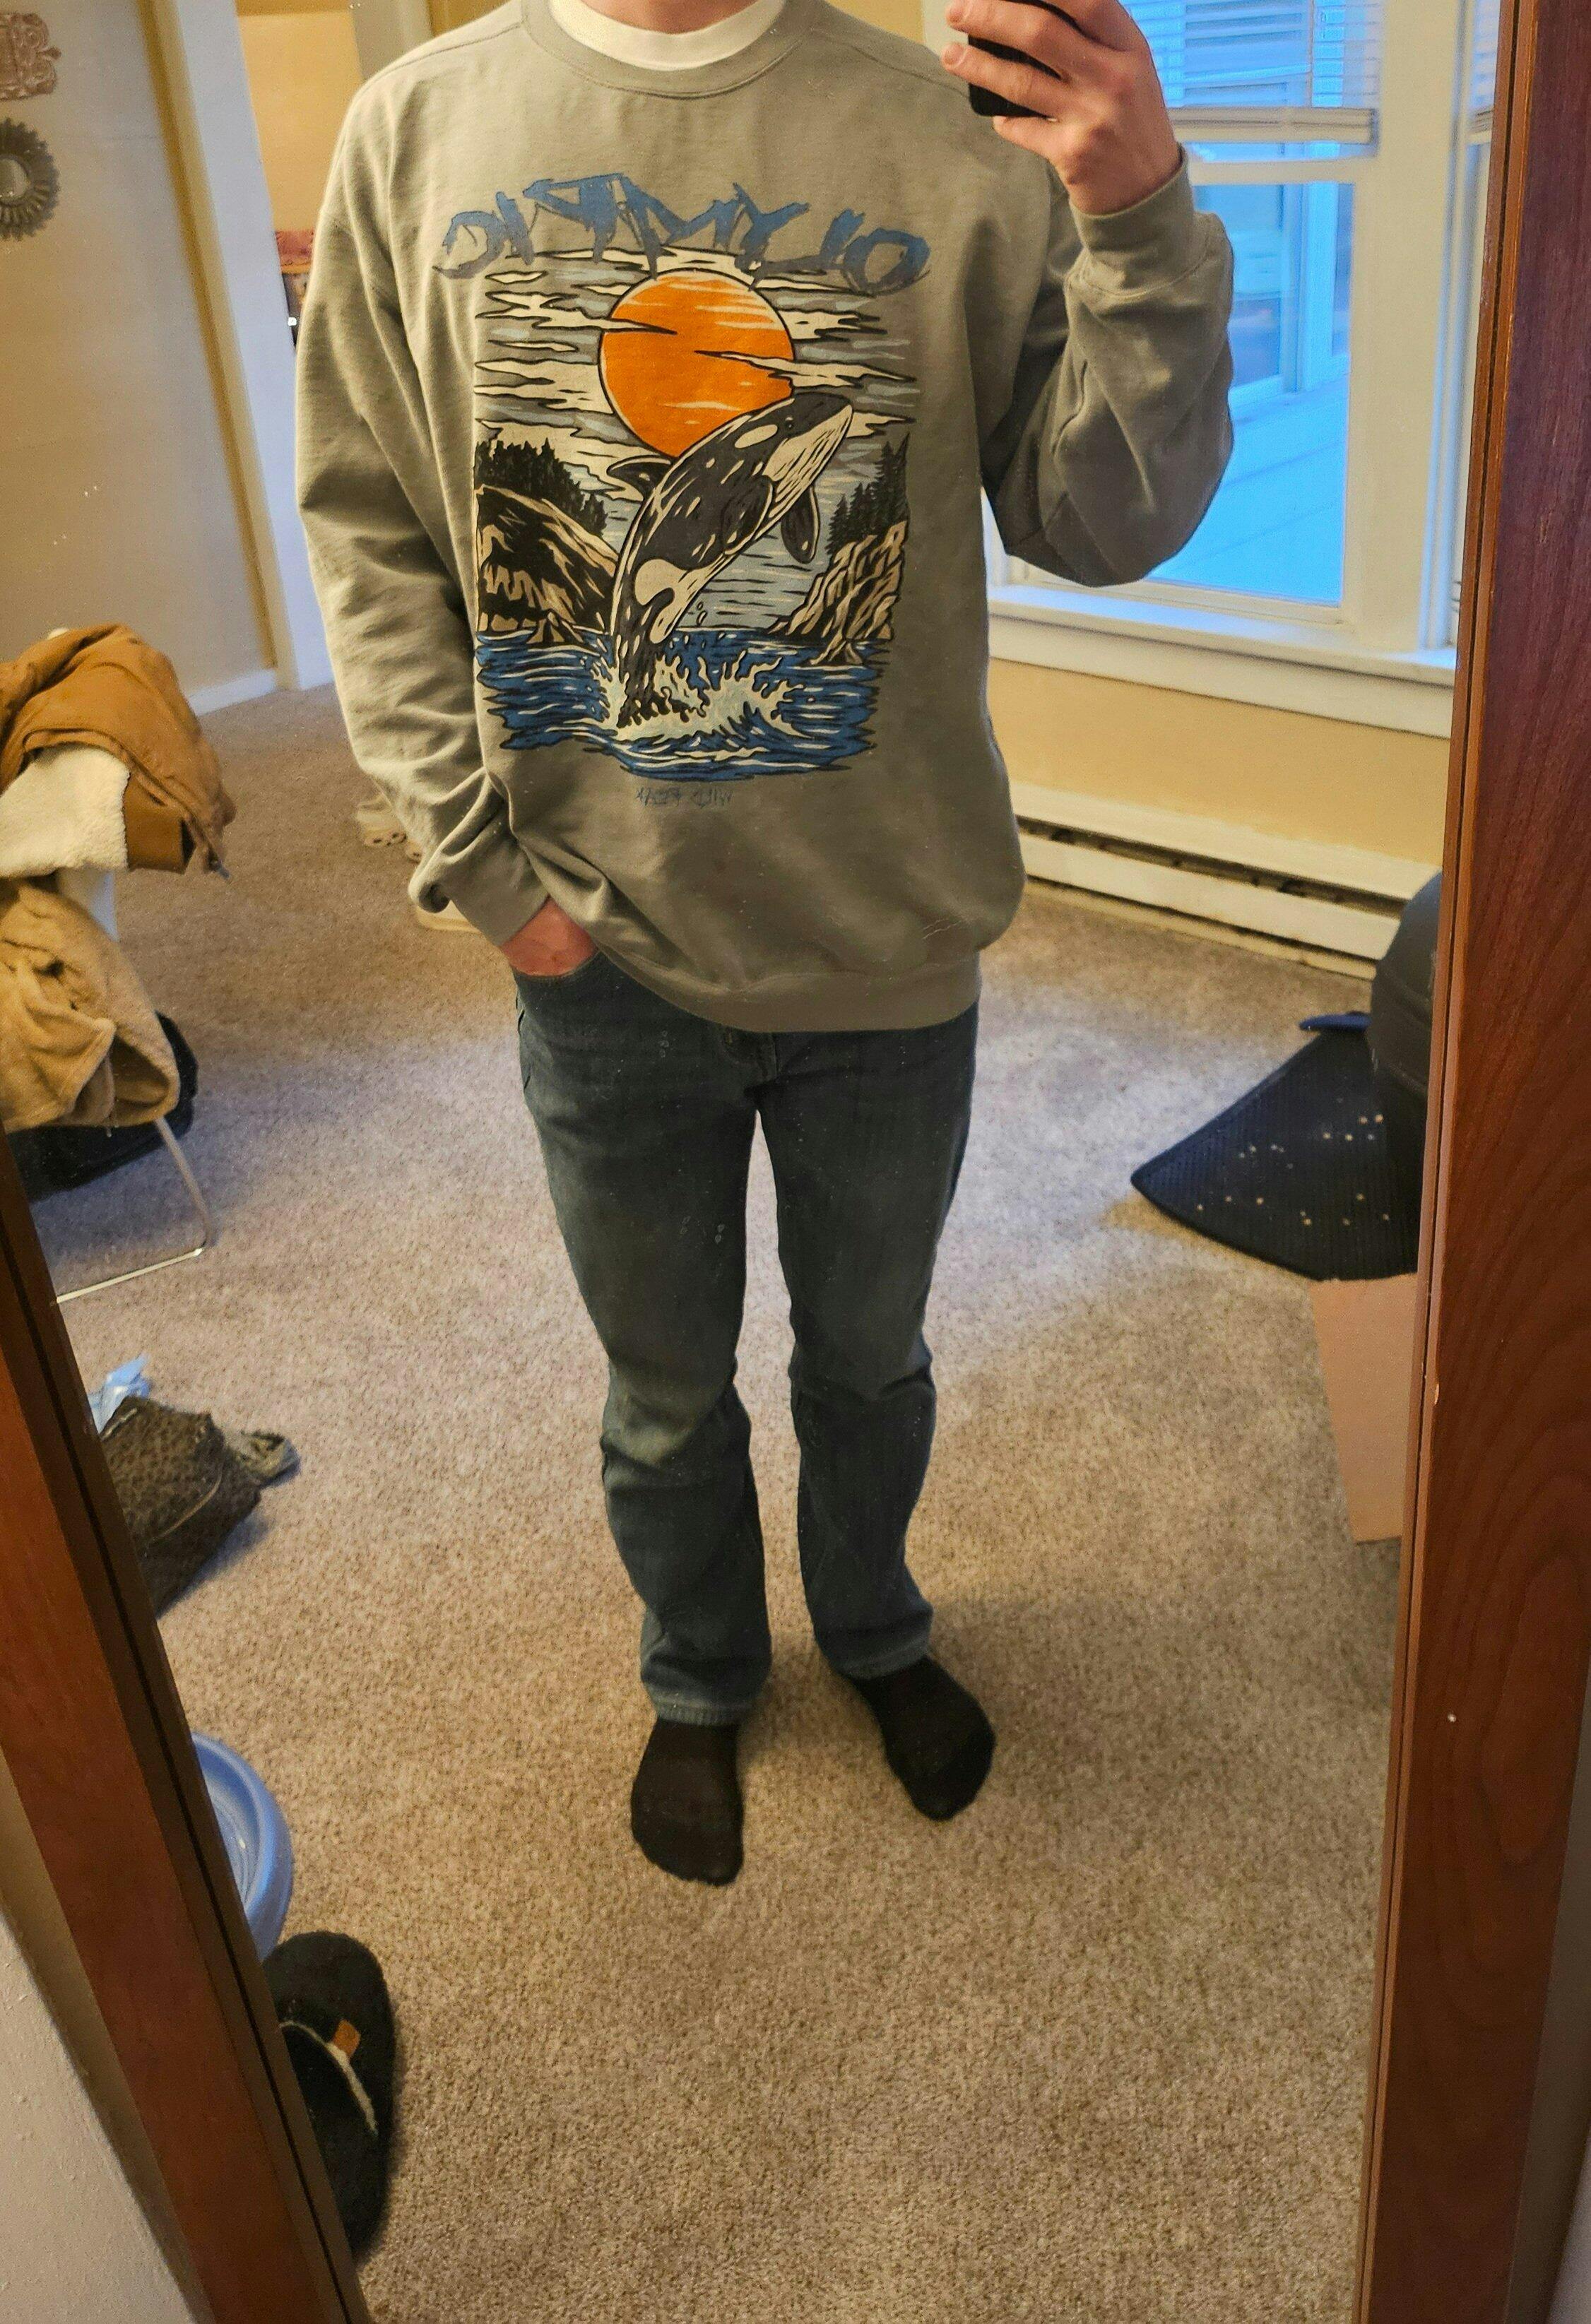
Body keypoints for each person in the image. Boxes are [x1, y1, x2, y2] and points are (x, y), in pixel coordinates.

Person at [297, 0, 1234, 1886]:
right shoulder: (412, 128)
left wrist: (1141, 221)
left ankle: (874, 1627)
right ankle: (701, 1670)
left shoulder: (950, 127)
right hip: (598, 951)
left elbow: (1106, 519)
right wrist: (485, 876)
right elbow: (374, 528)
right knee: (662, 1395)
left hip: (888, 940)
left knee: (870, 1366)